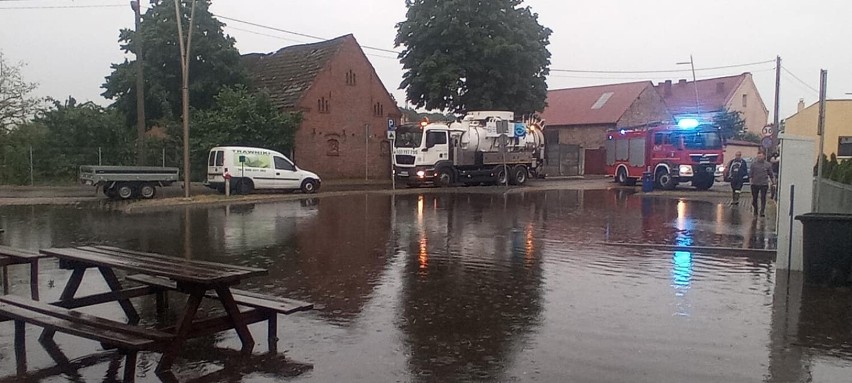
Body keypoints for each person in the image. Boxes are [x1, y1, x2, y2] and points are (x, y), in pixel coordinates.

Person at [749, 152, 775, 217]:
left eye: (761, 156)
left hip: (764, 184)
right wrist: (750, 182)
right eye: (758, 156)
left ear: (764, 156)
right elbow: (750, 174)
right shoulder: (753, 164)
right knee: (754, 198)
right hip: (755, 184)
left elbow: (771, 174)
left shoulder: (768, 165)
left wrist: (773, 182)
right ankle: (755, 209)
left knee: (763, 198)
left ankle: (762, 211)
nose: (759, 158)